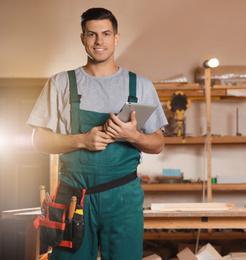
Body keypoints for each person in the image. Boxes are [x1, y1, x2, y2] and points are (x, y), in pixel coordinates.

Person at [27, 7, 168, 260]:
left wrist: (133, 136)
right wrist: (82, 140)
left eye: (106, 34)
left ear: (116, 38)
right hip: (73, 196)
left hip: (122, 196)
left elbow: (158, 144)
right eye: (92, 34)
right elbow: (38, 140)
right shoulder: (60, 83)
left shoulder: (141, 86)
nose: (99, 41)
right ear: (82, 38)